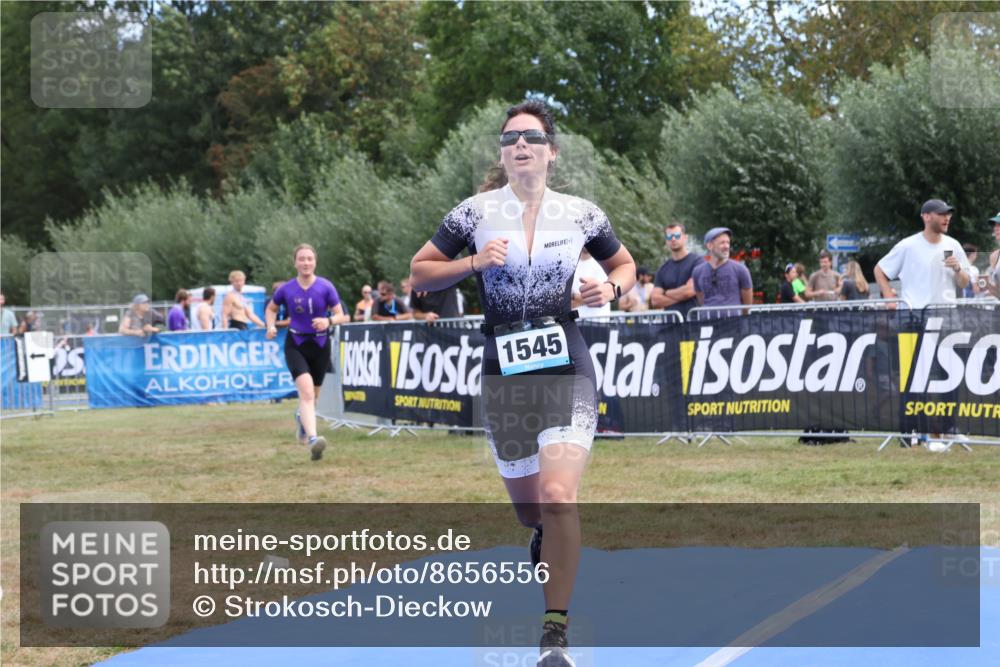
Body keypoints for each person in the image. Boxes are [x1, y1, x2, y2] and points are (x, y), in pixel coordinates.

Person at [409, 100, 635, 667]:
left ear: (552, 152)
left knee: (560, 496)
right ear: (503, 154)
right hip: (505, 368)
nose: (521, 145)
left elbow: (626, 266)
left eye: (532, 137)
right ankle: (538, 535)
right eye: (510, 139)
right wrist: (474, 263)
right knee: (530, 508)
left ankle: (554, 633)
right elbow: (419, 272)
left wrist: (609, 289)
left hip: (565, 361)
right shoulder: (474, 213)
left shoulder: (581, 214)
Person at [266, 244, 350, 461]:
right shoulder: (286, 289)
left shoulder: (326, 287)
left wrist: (328, 320)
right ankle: (313, 439)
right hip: (296, 343)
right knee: (307, 393)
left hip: (321, 346)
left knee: (314, 396)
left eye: (309, 259)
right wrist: (271, 326)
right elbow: (271, 308)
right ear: (295, 262)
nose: (305, 263)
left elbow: (343, 316)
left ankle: (303, 422)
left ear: (315, 262)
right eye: (301, 259)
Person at [874, 199, 971, 308]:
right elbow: (879, 270)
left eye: (948, 214)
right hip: (915, 315)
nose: (947, 218)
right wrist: (889, 300)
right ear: (926, 217)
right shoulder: (908, 246)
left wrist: (957, 269)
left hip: (946, 314)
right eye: (941, 214)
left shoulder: (953, 245)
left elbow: (964, 283)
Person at [692, 227, 753, 315]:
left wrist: (742, 316)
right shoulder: (697, 272)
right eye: (722, 243)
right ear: (710, 246)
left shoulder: (741, 269)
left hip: (733, 323)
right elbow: (701, 298)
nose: (726, 246)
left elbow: (747, 302)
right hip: (707, 323)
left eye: (728, 242)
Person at [651, 222, 704, 317]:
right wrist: (681, 295)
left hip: (694, 322)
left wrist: (666, 292)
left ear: (685, 237)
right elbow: (655, 300)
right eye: (669, 237)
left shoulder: (697, 262)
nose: (673, 239)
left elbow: (689, 291)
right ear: (666, 241)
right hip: (670, 325)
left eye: (677, 235)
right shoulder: (663, 269)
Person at [571, 248, 610, 318]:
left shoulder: (602, 263)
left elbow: (601, 295)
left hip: (597, 320)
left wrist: (573, 298)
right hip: (575, 320)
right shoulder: (571, 264)